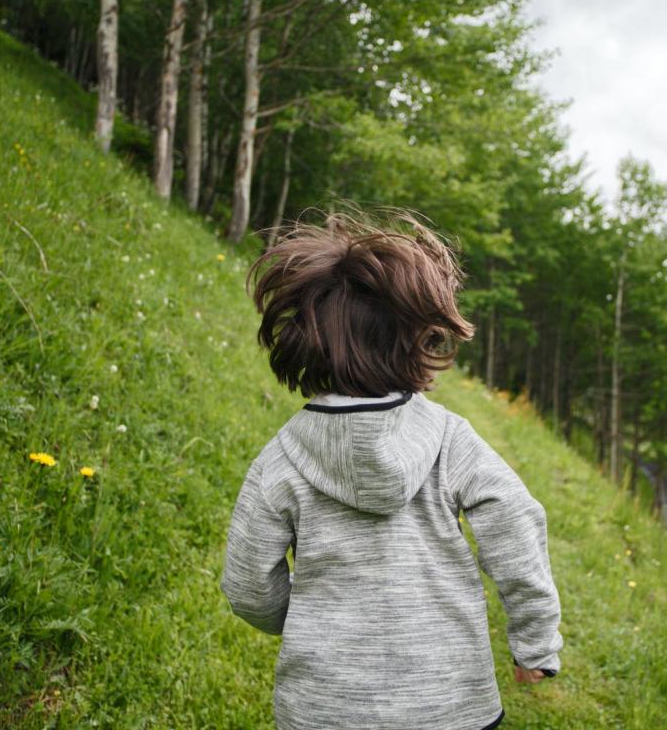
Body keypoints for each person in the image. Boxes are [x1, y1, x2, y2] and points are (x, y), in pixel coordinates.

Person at [220, 207, 563, 730]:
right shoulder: (449, 439)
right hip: (451, 705)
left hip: (324, 709)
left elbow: (247, 585)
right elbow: (513, 518)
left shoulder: (282, 458)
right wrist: (536, 640)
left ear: (305, 339)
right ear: (418, 340)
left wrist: (307, 623)